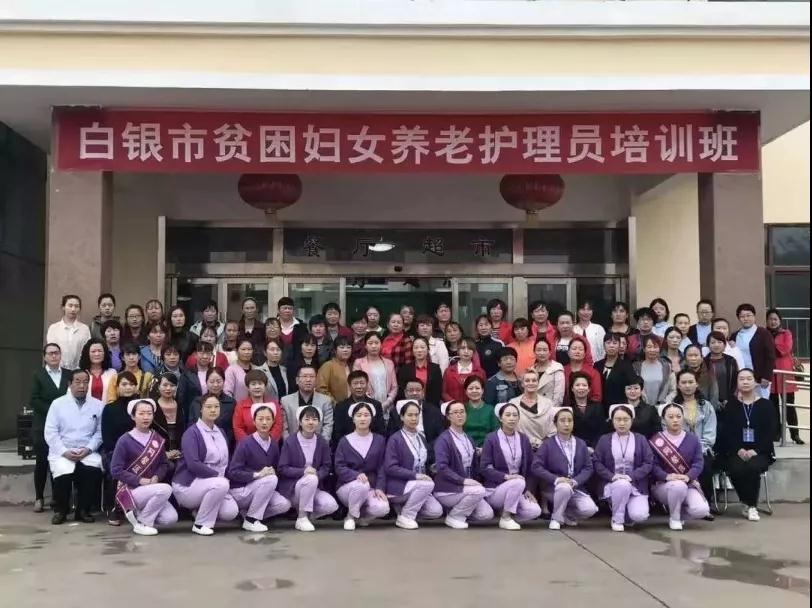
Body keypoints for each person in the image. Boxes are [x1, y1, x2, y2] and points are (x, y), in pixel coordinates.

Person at [171, 393, 239, 535]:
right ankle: (201, 524)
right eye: (209, 407)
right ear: (201, 409)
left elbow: (225, 461)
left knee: (230, 512)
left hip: (213, 484)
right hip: (189, 484)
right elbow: (193, 464)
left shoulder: (220, 432)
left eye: (216, 406)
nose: (213, 410)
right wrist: (218, 476)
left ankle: (199, 510)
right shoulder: (192, 433)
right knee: (221, 484)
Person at [110, 398, 179, 536]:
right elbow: (115, 470)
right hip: (131, 490)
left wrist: (157, 477)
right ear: (133, 416)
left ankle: (140, 514)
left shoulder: (157, 438)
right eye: (141, 413)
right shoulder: (125, 440)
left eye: (149, 413)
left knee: (170, 518)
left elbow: (164, 463)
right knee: (166, 489)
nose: (146, 417)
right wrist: (140, 480)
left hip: (152, 488)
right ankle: (143, 522)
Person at [44, 370, 104, 524]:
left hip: (86, 450)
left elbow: (99, 432)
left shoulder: (97, 405)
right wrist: (64, 451)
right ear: (70, 384)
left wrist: (88, 449)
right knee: (63, 473)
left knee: (93, 471)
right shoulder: (57, 404)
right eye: (77, 382)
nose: (82, 386)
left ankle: (83, 510)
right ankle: (61, 511)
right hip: (63, 450)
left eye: (85, 382)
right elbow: (50, 432)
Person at [718, 369, 777, 522]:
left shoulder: (766, 405)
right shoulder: (731, 405)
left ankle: (751, 506)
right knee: (735, 468)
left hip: (760, 451)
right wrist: (738, 449)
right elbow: (727, 432)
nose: (745, 382)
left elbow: (770, 431)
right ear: (737, 383)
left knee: (752, 467)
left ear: (755, 382)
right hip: (736, 450)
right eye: (741, 379)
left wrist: (755, 450)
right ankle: (747, 502)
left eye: (749, 379)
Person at [227, 403, 291, 533]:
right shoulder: (245, 443)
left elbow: (276, 469)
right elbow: (233, 472)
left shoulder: (273, 444)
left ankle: (248, 515)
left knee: (284, 504)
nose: (264, 422)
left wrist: (272, 472)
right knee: (271, 479)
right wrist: (257, 474)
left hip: (261, 488)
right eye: (260, 419)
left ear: (273, 422)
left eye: (268, 419)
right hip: (241, 490)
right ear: (254, 421)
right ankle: (251, 520)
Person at [532, 406, 599, 530]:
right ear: (555, 424)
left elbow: (588, 467)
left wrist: (576, 481)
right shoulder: (547, 444)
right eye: (562, 420)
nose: (566, 424)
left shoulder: (580, 443)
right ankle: (556, 518)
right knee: (564, 487)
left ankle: (566, 514)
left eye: (570, 420)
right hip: (553, 487)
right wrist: (556, 479)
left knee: (590, 509)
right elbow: (536, 466)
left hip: (575, 487)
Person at [480, 402, 542, 530]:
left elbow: (530, 468)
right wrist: (506, 477)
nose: (512, 418)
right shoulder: (491, 438)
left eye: (515, 415)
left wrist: (528, 489)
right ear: (500, 418)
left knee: (534, 511)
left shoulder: (524, 439)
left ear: (519, 418)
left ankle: (507, 513)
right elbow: (485, 468)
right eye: (508, 415)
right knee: (518, 481)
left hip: (518, 487)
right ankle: (506, 518)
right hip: (496, 489)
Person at [649, 403, 711, 530]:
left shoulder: (693, 439)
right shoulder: (657, 440)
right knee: (678, 486)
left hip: (688, 483)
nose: (675, 420)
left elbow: (698, 463)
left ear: (683, 418)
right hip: (663, 485)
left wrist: (688, 476)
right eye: (670, 417)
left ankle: (681, 512)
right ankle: (675, 518)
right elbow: (653, 465)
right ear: (663, 419)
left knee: (701, 510)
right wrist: (666, 476)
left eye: (678, 416)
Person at [433, 401, 494, 529]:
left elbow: (475, 466)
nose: (459, 415)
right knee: (478, 491)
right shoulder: (443, 439)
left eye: (462, 412)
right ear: (448, 416)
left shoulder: (468, 438)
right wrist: (463, 480)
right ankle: (455, 516)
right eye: (455, 412)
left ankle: (455, 510)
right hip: (447, 489)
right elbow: (442, 468)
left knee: (486, 514)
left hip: (467, 488)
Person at [384, 400, 444, 530]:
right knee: (427, 484)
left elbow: (423, 460)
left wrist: (432, 467)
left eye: (416, 415)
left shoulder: (421, 437)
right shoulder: (395, 439)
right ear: (401, 417)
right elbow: (390, 467)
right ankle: (406, 516)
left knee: (435, 511)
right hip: (400, 485)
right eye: (410, 415)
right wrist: (415, 476)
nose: (413, 418)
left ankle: (403, 509)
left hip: (419, 485)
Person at [277, 406, 339, 531]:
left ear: (318, 422)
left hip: (313, 485)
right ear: (300, 422)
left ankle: (307, 516)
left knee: (331, 505)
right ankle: (302, 517)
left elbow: (326, 466)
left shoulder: (321, 441)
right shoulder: (290, 441)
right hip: (293, 488)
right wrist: (303, 471)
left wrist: (317, 475)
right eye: (307, 419)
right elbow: (282, 468)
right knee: (310, 478)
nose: (311, 422)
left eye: (314, 419)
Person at [593, 404, 654, 532]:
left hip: (636, 484)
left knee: (640, 516)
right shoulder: (604, 439)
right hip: (612, 483)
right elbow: (597, 462)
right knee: (622, 485)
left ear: (632, 420)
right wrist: (612, 476)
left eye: (625, 419)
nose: (622, 423)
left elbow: (648, 462)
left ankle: (625, 511)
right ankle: (617, 519)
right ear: (612, 421)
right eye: (618, 419)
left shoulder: (640, 439)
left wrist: (631, 476)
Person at [334, 402, 390, 531]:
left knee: (383, 508)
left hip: (371, 487)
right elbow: (339, 467)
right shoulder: (344, 441)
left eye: (366, 415)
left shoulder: (379, 440)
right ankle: (350, 516)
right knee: (361, 485)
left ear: (371, 418)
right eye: (359, 415)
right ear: (353, 419)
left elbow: (382, 466)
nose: (363, 418)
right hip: (347, 488)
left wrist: (380, 487)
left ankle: (362, 518)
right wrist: (356, 475)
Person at [29, 343, 70, 513]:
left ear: (60, 355)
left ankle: (57, 498)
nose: (54, 356)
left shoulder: (68, 374)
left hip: (64, 425)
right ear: (44, 356)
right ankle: (39, 497)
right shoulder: (38, 375)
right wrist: (54, 411)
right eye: (50, 353)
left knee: (59, 461)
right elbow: (34, 399)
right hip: (43, 424)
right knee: (42, 461)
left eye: (56, 353)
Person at [673, 370, 717, 510]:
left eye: (690, 382)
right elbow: (668, 431)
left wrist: (698, 450)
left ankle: (706, 504)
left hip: (702, 450)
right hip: (677, 450)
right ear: (678, 385)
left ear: (697, 384)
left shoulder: (706, 406)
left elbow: (710, 434)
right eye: (684, 382)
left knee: (704, 465)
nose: (687, 386)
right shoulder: (672, 407)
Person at [101, 373, 139, 525]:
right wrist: (124, 452)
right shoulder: (109, 409)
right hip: (114, 451)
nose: (128, 387)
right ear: (117, 387)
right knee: (115, 468)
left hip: (139, 452)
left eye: (131, 384)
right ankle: (114, 508)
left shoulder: (142, 408)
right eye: (124, 384)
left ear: (136, 387)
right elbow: (107, 439)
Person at [767, 308, 804, 444]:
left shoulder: (786, 333)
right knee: (773, 407)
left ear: (780, 321)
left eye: (775, 319)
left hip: (785, 374)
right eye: (770, 319)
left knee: (789, 406)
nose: (773, 322)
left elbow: (785, 349)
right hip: (770, 374)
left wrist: (770, 346)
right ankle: (776, 434)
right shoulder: (764, 333)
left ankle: (795, 434)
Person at [732, 303, 776, 400]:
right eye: (742, 316)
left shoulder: (763, 333)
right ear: (738, 318)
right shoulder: (735, 335)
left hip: (759, 378)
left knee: (760, 402)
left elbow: (770, 356)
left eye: (748, 315)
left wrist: (767, 377)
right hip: (741, 377)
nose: (746, 318)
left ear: (754, 316)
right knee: (742, 402)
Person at [333, 370, 386, 449]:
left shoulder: (376, 405)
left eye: (362, 383)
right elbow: (337, 433)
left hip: (372, 447)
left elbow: (380, 430)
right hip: (348, 447)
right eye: (355, 383)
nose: (359, 386)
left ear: (367, 385)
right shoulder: (341, 406)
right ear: (349, 386)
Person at [280, 365, 333, 440]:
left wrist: (321, 444)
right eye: (304, 376)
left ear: (316, 380)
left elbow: (327, 426)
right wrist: (290, 444)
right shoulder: (286, 401)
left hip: (318, 444)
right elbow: (284, 428)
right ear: (297, 380)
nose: (308, 379)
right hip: (293, 444)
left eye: (312, 376)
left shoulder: (325, 401)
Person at [387, 379, 445, 449]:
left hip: (430, 449)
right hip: (404, 449)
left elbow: (440, 435)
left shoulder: (434, 411)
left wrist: (427, 449)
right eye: (411, 390)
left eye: (418, 390)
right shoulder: (396, 412)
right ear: (405, 393)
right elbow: (391, 436)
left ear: (423, 393)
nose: (414, 393)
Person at [187, 367, 236, 448]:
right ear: (206, 382)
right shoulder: (197, 402)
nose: (215, 385)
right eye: (212, 382)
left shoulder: (231, 403)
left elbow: (232, 429)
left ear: (224, 381)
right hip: (200, 444)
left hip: (223, 445)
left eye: (219, 381)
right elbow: (191, 424)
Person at [352, 332, 398, 417]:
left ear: (381, 344)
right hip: (366, 406)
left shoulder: (389, 363)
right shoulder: (359, 363)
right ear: (365, 346)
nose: (374, 346)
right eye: (370, 343)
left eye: (376, 343)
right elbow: (358, 385)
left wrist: (387, 402)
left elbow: (394, 387)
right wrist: (372, 403)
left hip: (387, 406)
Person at [232, 370, 284, 443]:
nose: (257, 387)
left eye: (260, 383)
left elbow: (278, 425)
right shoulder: (241, 405)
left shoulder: (274, 404)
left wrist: (268, 442)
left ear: (265, 386)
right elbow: (238, 428)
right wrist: (250, 444)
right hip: (247, 445)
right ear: (248, 387)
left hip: (270, 444)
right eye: (253, 384)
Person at [509, 369, 555, 450]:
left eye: (534, 380)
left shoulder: (548, 404)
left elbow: (552, 429)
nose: (531, 383)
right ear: (522, 384)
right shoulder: (513, 403)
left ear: (538, 383)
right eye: (527, 380)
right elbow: (509, 428)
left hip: (543, 448)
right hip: (519, 448)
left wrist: (542, 445)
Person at [46, 294, 91, 370]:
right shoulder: (54, 328)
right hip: (57, 370)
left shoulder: (84, 329)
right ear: (63, 307)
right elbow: (51, 350)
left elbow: (87, 350)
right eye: (70, 305)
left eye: (76, 306)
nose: (73, 309)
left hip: (79, 371)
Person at [397, 336, 443, 405]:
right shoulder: (404, 369)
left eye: (422, 347)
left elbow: (438, 391)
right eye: (416, 348)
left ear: (428, 350)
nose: (419, 350)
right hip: (409, 406)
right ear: (412, 351)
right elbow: (402, 392)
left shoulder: (435, 369)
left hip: (430, 406)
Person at [152, 373, 186, 462]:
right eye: (165, 385)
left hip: (179, 454)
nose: (168, 388)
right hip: (158, 456)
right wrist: (164, 454)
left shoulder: (181, 407)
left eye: (172, 385)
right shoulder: (152, 407)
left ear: (177, 387)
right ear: (158, 387)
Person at [594, 333, 634, 409]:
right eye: (608, 343)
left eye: (615, 343)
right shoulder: (597, 365)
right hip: (599, 408)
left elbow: (630, 386)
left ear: (619, 346)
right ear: (604, 345)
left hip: (619, 407)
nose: (611, 346)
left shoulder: (626, 366)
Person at [633, 335, 676, 405]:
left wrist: (665, 402)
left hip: (661, 407)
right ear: (644, 349)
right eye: (649, 347)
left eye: (655, 347)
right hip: (642, 407)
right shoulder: (636, 368)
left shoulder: (667, 367)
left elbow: (673, 390)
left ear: (659, 348)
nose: (652, 350)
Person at [442, 337, 486, 403]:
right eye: (463, 348)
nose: (466, 351)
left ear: (474, 352)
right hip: (454, 408)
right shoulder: (448, 371)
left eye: (469, 349)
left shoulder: (480, 372)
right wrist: (455, 404)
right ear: (458, 351)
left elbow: (484, 393)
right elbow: (444, 393)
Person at [178, 341, 214, 418]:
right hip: (193, 414)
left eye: (208, 353)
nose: (205, 356)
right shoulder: (187, 375)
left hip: (213, 412)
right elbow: (181, 398)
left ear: (211, 355)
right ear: (195, 355)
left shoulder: (215, 373)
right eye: (201, 353)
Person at [569, 372, 605, 449]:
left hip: (595, 448)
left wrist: (594, 448)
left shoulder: (597, 407)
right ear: (572, 388)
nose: (581, 388)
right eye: (577, 385)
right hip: (574, 447)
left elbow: (601, 431)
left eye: (584, 385)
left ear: (589, 389)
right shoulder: (568, 408)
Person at [705, 331, 740, 411]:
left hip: (729, 401)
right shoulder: (703, 362)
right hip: (709, 403)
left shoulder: (731, 361)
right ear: (708, 345)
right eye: (713, 342)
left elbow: (736, 381)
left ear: (724, 345)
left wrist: (730, 399)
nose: (716, 345)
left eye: (719, 342)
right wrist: (714, 401)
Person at [562, 336, 602, 405]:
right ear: (568, 352)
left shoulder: (593, 373)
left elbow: (597, 397)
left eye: (580, 349)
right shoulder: (562, 371)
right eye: (574, 349)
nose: (577, 351)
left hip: (589, 409)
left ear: (584, 354)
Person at [316, 336, 353, 404]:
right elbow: (321, 388)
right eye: (342, 347)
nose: (345, 350)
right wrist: (335, 403)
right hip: (334, 406)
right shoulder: (328, 366)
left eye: (348, 347)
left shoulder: (352, 366)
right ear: (335, 350)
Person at [79, 338, 116, 404]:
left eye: (100, 351)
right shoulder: (79, 373)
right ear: (87, 354)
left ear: (105, 353)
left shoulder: (112, 373)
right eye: (93, 351)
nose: (97, 354)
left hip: (107, 409)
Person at [683, 344, 720, 410]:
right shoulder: (681, 374)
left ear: (702, 358)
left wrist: (710, 411)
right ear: (685, 359)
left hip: (706, 410)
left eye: (696, 355)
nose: (693, 358)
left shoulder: (710, 375)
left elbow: (714, 396)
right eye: (690, 356)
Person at [533, 337, 565, 408]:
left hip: (550, 409)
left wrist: (551, 410)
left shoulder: (556, 368)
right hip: (533, 409)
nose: (542, 353)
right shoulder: (531, 369)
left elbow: (558, 395)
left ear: (550, 352)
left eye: (545, 350)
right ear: (534, 352)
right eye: (539, 350)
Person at [223, 339, 255, 403]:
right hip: (237, 407)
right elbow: (227, 392)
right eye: (243, 349)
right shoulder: (231, 370)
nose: (247, 352)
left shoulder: (256, 369)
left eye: (249, 349)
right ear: (236, 351)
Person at [474, 314, 503, 379]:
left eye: (486, 325)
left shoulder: (499, 344)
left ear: (491, 327)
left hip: (495, 380)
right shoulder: (473, 345)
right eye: (481, 325)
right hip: (477, 381)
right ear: (477, 328)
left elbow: (503, 364)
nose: (483, 328)